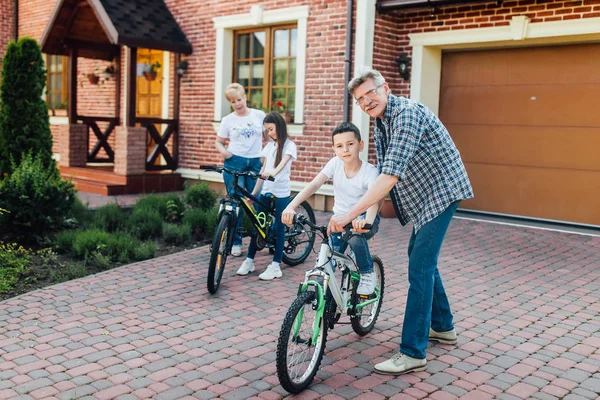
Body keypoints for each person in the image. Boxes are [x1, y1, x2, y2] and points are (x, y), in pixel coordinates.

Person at [329, 68, 473, 375]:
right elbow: (383, 179)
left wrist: (349, 214)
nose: (367, 101)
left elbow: (390, 175)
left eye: (371, 92)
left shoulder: (406, 115)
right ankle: (443, 327)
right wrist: (368, 216)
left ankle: (412, 352)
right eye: (360, 99)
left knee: (420, 266)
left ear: (386, 88)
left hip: (443, 190)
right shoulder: (383, 122)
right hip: (426, 195)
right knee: (421, 259)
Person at [282, 121, 380, 295]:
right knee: (327, 261)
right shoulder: (335, 164)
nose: (345, 149)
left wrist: (367, 221)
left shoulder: (369, 171)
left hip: (363, 218)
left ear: (361, 145)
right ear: (334, 149)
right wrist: (291, 205)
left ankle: (367, 272)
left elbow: (374, 200)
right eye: (340, 146)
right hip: (339, 219)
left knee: (356, 236)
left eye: (350, 144)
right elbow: (314, 185)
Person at [237, 112, 297, 280]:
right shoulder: (269, 147)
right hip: (266, 191)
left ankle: (276, 265)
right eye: (267, 130)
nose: (269, 133)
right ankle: (249, 261)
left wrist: (273, 173)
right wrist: (254, 193)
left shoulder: (289, 146)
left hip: (281, 192)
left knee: (279, 228)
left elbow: (282, 165)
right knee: (259, 226)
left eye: (271, 129)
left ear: (279, 126)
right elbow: (262, 172)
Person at [215, 83, 265, 257]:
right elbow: (218, 142)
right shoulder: (228, 120)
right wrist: (227, 154)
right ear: (230, 103)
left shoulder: (259, 115)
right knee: (236, 204)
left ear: (245, 97)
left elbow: (271, 136)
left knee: (256, 201)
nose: (237, 103)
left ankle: (262, 237)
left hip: (255, 163)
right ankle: (235, 242)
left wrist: (265, 156)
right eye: (233, 101)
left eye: (239, 99)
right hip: (234, 163)